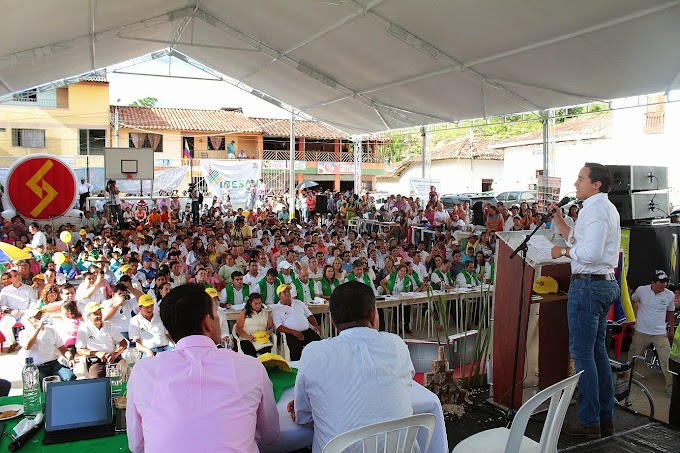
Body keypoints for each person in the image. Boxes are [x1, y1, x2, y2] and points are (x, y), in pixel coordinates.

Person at [126, 283, 279, 452]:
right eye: (215, 315)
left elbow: (137, 445)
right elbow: (269, 435)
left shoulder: (142, 372)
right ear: (208, 323)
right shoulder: (251, 367)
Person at [287, 281, 415, 452]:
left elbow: (303, 417)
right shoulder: (396, 344)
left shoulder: (314, 352)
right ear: (373, 315)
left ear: (332, 321)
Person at [550, 162, 621, 438]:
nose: (576, 183)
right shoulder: (601, 208)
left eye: (581, 179)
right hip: (603, 285)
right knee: (597, 353)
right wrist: (559, 221)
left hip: (589, 287)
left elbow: (587, 253)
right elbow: (582, 241)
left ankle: (589, 420)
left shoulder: (595, 211)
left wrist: (561, 251)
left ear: (596, 184)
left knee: (582, 355)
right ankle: (605, 419)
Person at [628, 270, 675, 395]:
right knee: (632, 359)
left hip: (660, 334)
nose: (664, 285)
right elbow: (632, 299)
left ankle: (671, 388)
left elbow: (670, 312)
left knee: (666, 361)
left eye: (666, 282)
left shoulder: (669, 295)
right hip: (641, 333)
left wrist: (671, 329)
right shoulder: (642, 291)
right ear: (653, 282)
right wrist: (636, 308)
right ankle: (625, 381)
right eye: (661, 282)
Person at [18, 307, 76, 386]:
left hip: (53, 363)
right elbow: (27, 346)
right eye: (36, 316)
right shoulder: (24, 333)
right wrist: (38, 329)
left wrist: (70, 358)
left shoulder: (51, 331)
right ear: (29, 319)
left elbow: (62, 348)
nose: (39, 318)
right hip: (36, 367)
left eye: (40, 315)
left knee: (70, 377)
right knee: (40, 384)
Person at [76, 302, 129, 379]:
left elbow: (123, 343)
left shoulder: (109, 325)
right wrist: (97, 353)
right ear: (89, 316)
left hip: (113, 357)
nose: (99, 316)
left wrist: (115, 354)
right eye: (95, 314)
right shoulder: (84, 328)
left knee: (126, 370)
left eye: (100, 313)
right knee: (95, 378)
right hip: (96, 360)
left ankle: (125, 391)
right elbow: (80, 350)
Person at [271, 284, 321, 361]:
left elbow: (309, 315)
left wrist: (315, 325)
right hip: (291, 333)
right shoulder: (276, 309)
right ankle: (297, 367)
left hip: (306, 331)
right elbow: (279, 327)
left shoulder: (299, 303)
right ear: (279, 296)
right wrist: (293, 332)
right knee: (295, 349)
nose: (287, 294)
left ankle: (317, 362)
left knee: (318, 343)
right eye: (284, 292)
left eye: (288, 291)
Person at [0, 269, 37, 352]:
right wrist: (11, 311)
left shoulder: (28, 288)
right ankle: (12, 343)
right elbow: (3, 305)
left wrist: (27, 310)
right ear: (10, 279)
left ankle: (29, 343)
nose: (18, 277)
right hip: (11, 313)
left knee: (29, 324)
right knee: (3, 325)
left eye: (19, 275)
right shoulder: (5, 290)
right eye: (15, 275)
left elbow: (34, 302)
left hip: (26, 312)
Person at [234, 293, 275, 357]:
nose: (258, 306)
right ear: (250, 303)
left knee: (266, 355)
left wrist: (270, 330)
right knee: (251, 354)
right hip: (247, 339)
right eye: (255, 304)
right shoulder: (244, 313)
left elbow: (270, 326)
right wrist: (248, 337)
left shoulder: (265, 313)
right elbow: (238, 328)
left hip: (262, 339)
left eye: (259, 303)